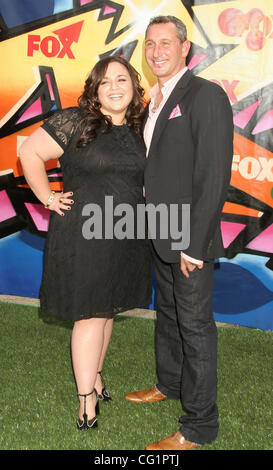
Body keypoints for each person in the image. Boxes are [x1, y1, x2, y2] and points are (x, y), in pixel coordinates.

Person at [19, 56, 152, 430]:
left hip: (126, 232)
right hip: (85, 232)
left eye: (122, 79)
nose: (114, 87)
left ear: (133, 87)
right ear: (94, 89)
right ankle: (86, 400)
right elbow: (29, 152)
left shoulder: (143, 127)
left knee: (107, 310)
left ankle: (94, 375)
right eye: (105, 81)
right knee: (91, 314)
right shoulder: (75, 120)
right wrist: (47, 197)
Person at [125, 16, 234, 450]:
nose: (156, 51)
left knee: (194, 326)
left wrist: (194, 243)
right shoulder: (156, 98)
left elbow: (212, 177)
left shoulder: (205, 95)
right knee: (168, 316)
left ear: (185, 48)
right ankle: (169, 384)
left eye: (165, 43)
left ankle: (199, 427)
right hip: (160, 229)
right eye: (150, 44)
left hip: (189, 236)